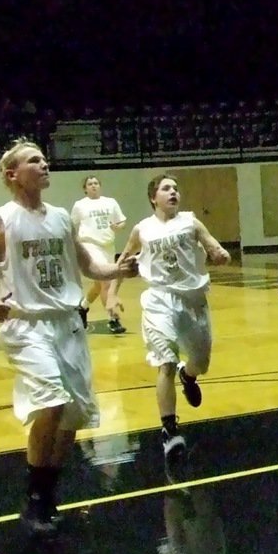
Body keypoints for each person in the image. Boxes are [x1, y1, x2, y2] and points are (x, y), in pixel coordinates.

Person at [0, 140, 139, 538]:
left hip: (67, 323)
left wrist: (118, 269)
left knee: (72, 417)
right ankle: (33, 500)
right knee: (50, 402)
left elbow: (88, 265)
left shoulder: (60, 218)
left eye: (44, 158)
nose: (44, 163)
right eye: (34, 159)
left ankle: (48, 494)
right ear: (12, 174)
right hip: (27, 325)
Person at [109, 174, 231, 462]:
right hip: (159, 299)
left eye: (176, 188)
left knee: (200, 362)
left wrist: (219, 252)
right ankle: (169, 429)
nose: (173, 192)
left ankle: (188, 376)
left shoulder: (191, 221)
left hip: (194, 300)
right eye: (166, 189)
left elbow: (212, 244)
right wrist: (112, 295)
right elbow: (123, 262)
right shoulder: (142, 229)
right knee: (164, 361)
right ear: (154, 197)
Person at [71, 175, 128, 333]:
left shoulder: (110, 202)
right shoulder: (80, 205)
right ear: (85, 188)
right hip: (90, 244)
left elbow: (122, 221)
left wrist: (118, 227)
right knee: (106, 282)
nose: (93, 186)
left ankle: (83, 307)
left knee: (98, 284)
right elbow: (72, 226)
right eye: (90, 184)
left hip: (108, 245)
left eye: (96, 183)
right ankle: (113, 319)